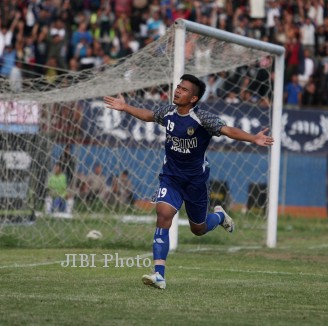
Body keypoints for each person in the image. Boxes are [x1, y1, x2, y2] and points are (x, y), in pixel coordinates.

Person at [103, 74, 274, 289]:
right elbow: (148, 115)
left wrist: (253, 138)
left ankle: (219, 216)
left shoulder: (203, 119)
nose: (177, 91)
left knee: (198, 229)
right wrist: (125, 107)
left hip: (196, 182)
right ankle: (159, 275)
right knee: (163, 214)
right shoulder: (168, 112)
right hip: (171, 177)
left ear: (193, 98)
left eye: (183, 89)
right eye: (178, 87)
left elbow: (228, 130)